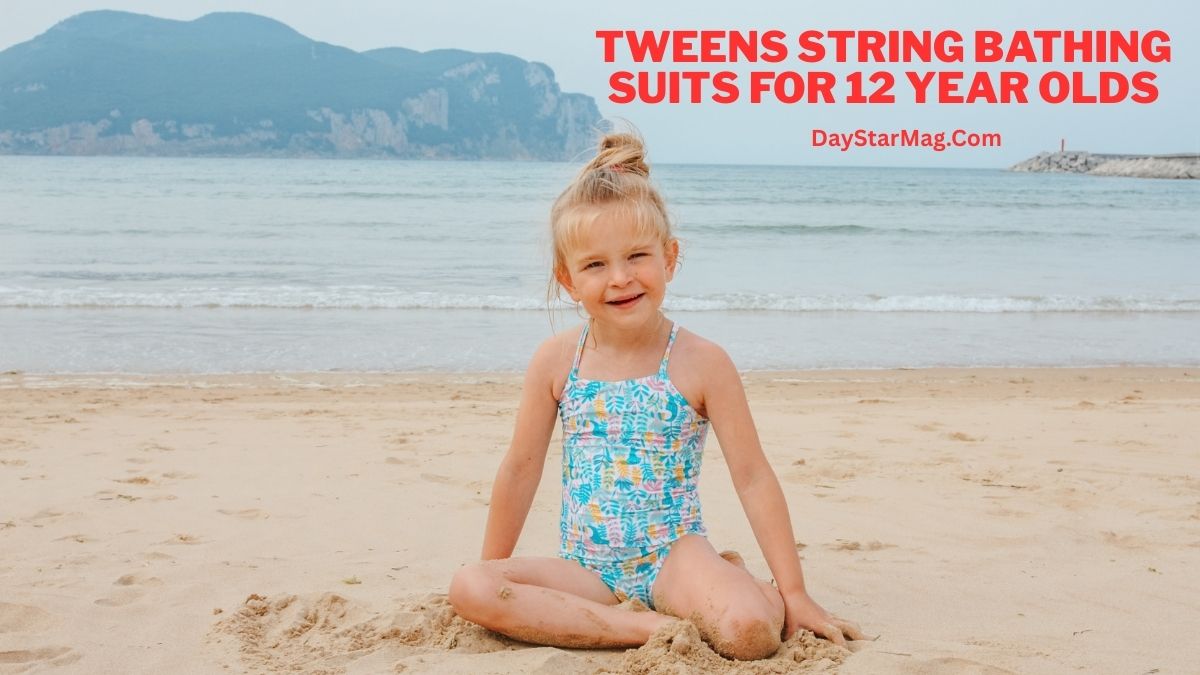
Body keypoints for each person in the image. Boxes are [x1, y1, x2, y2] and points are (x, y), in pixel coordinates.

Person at [448, 130, 863, 660]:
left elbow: (753, 476)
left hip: (673, 558)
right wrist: (496, 572)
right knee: (471, 587)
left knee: (750, 634)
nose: (620, 278)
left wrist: (796, 592)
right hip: (585, 568)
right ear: (568, 279)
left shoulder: (702, 362)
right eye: (595, 265)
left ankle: (731, 591)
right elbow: (520, 467)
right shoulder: (556, 361)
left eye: (637, 256)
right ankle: (646, 630)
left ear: (669, 257)